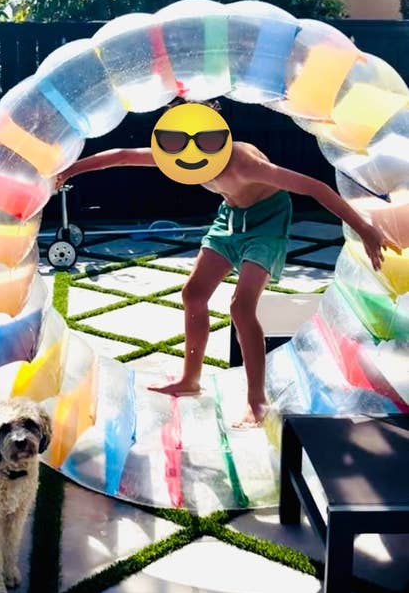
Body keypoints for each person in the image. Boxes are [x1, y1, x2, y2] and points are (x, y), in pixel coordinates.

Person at [54, 101, 399, 428]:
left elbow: (316, 188)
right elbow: (122, 156)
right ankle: (190, 379)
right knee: (193, 294)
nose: (186, 147)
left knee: (242, 307)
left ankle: (256, 400)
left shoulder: (244, 162)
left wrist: (366, 230)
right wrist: (72, 168)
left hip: (268, 222)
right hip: (229, 219)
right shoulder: (178, 153)